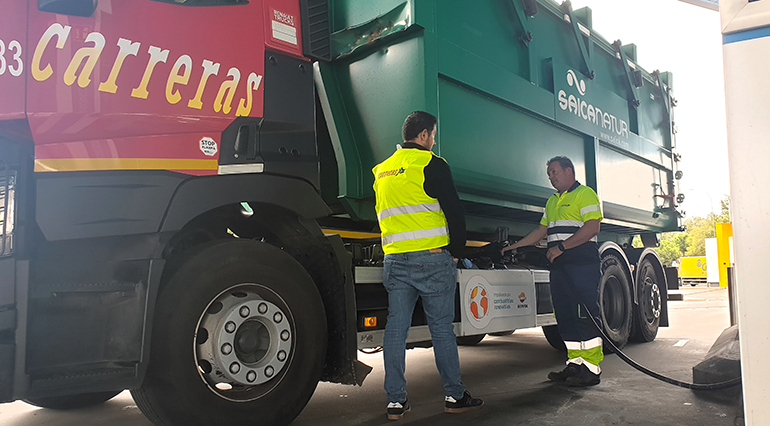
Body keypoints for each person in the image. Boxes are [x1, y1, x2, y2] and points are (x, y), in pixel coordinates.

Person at [373, 111, 483, 420]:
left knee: (396, 329)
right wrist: (457, 252)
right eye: (432, 135)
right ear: (423, 135)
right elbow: (454, 210)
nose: (433, 140)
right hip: (433, 258)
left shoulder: (382, 171)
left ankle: (395, 401)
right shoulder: (432, 164)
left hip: (395, 258)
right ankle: (454, 395)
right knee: (441, 330)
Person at [502, 156, 604, 387]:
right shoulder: (552, 201)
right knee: (565, 315)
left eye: (554, 172)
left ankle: (591, 370)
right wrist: (514, 246)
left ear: (569, 171)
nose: (551, 177)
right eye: (549, 174)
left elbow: (592, 227)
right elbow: (541, 230)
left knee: (584, 315)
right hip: (560, 268)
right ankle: (575, 363)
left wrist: (561, 247)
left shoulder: (585, 194)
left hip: (581, 267)